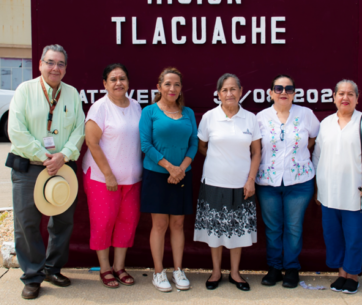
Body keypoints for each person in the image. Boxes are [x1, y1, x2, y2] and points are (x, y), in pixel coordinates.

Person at [8, 44, 85, 300]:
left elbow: (79, 130)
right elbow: (17, 131)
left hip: (63, 167)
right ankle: (32, 275)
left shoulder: (72, 94)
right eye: (51, 62)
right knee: (26, 223)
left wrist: (63, 156)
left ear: (65, 68)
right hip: (29, 167)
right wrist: (44, 156)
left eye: (61, 64)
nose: (55, 68)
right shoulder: (24, 91)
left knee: (62, 222)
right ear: (40, 64)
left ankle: (53, 268)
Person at [312, 79, 362, 295]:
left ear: (357, 98)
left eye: (350, 94)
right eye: (341, 94)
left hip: (356, 192)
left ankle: (352, 275)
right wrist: (318, 187)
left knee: (354, 236)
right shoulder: (326, 123)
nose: (345, 97)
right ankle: (341, 273)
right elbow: (317, 156)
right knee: (332, 235)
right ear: (334, 97)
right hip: (329, 192)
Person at [194, 73, 262, 292]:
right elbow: (202, 147)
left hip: (242, 184)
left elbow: (257, 152)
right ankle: (216, 272)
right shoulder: (209, 117)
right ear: (218, 94)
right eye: (224, 90)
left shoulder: (251, 118)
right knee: (215, 231)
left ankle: (235, 273)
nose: (229, 93)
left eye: (233, 89)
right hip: (214, 182)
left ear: (241, 92)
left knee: (237, 231)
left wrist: (251, 180)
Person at [255, 74, 320, 288]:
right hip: (268, 182)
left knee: (294, 227)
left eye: (289, 88)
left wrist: (298, 154)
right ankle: (274, 267)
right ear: (271, 92)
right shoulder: (261, 117)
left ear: (294, 92)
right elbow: (255, 148)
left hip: (300, 182)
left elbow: (315, 138)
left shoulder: (306, 114)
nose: (284, 92)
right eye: (279, 88)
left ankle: (291, 268)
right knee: (273, 227)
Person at [82, 63, 142, 288]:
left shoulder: (136, 106)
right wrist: (108, 174)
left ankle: (119, 266)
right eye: (113, 79)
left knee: (127, 222)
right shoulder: (100, 108)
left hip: (132, 180)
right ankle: (105, 268)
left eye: (122, 78)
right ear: (105, 84)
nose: (119, 83)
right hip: (102, 179)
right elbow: (92, 142)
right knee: (103, 222)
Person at [139, 67, 198, 292]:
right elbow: (146, 145)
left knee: (178, 224)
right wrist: (170, 168)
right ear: (159, 87)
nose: (172, 89)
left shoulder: (189, 113)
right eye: (167, 84)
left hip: (183, 174)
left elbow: (194, 143)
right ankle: (158, 272)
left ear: (181, 89)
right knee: (160, 224)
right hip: (156, 175)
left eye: (176, 85)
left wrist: (181, 168)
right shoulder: (149, 112)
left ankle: (178, 270)